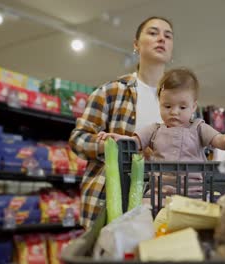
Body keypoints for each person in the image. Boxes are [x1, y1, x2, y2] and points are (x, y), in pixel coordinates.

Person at [69, 16, 174, 228]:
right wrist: (115, 148)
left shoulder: (183, 105)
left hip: (164, 204)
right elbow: (78, 139)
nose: (161, 38)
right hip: (110, 202)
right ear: (136, 45)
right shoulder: (112, 91)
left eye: (168, 36)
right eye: (153, 33)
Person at [98, 68, 225, 196]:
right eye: (167, 106)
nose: (174, 112)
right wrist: (120, 139)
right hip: (159, 194)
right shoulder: (154, 130)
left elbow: (219, 141)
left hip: (195, 194)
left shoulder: (199, 127)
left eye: (182, 107)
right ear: (160, 104)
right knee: (143, 211)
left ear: (193, 107)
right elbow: (134, 143)